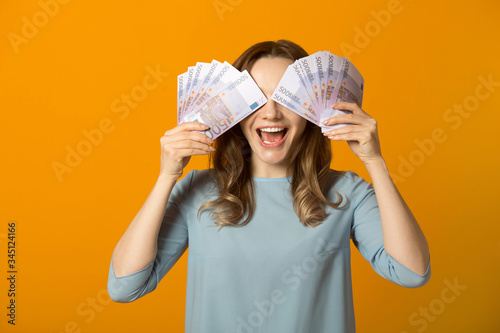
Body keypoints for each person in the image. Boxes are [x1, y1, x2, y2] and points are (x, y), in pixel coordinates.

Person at [107, 40, 431, 333]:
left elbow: (412, 272)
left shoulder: (348, 192)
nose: (271, 112)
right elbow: (124, 286)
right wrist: (167, 177)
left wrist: (375, 161)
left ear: (311, 109)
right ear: (233, 110)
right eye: (257, 98)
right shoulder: (198, 191)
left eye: (285, 98)